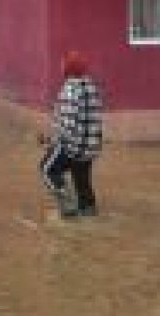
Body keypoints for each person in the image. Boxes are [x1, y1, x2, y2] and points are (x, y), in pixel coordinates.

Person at [39, 51, 103, 218]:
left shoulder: (70, 89)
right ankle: (88, 209)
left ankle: (68, 207)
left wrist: (50, 141)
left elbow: (67, 124)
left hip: (73, 146)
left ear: (68, 68)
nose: (60, 67)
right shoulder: (92, 87)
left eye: (63, 64)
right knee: (81, 179)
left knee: (47, 169)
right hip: (90, 147)